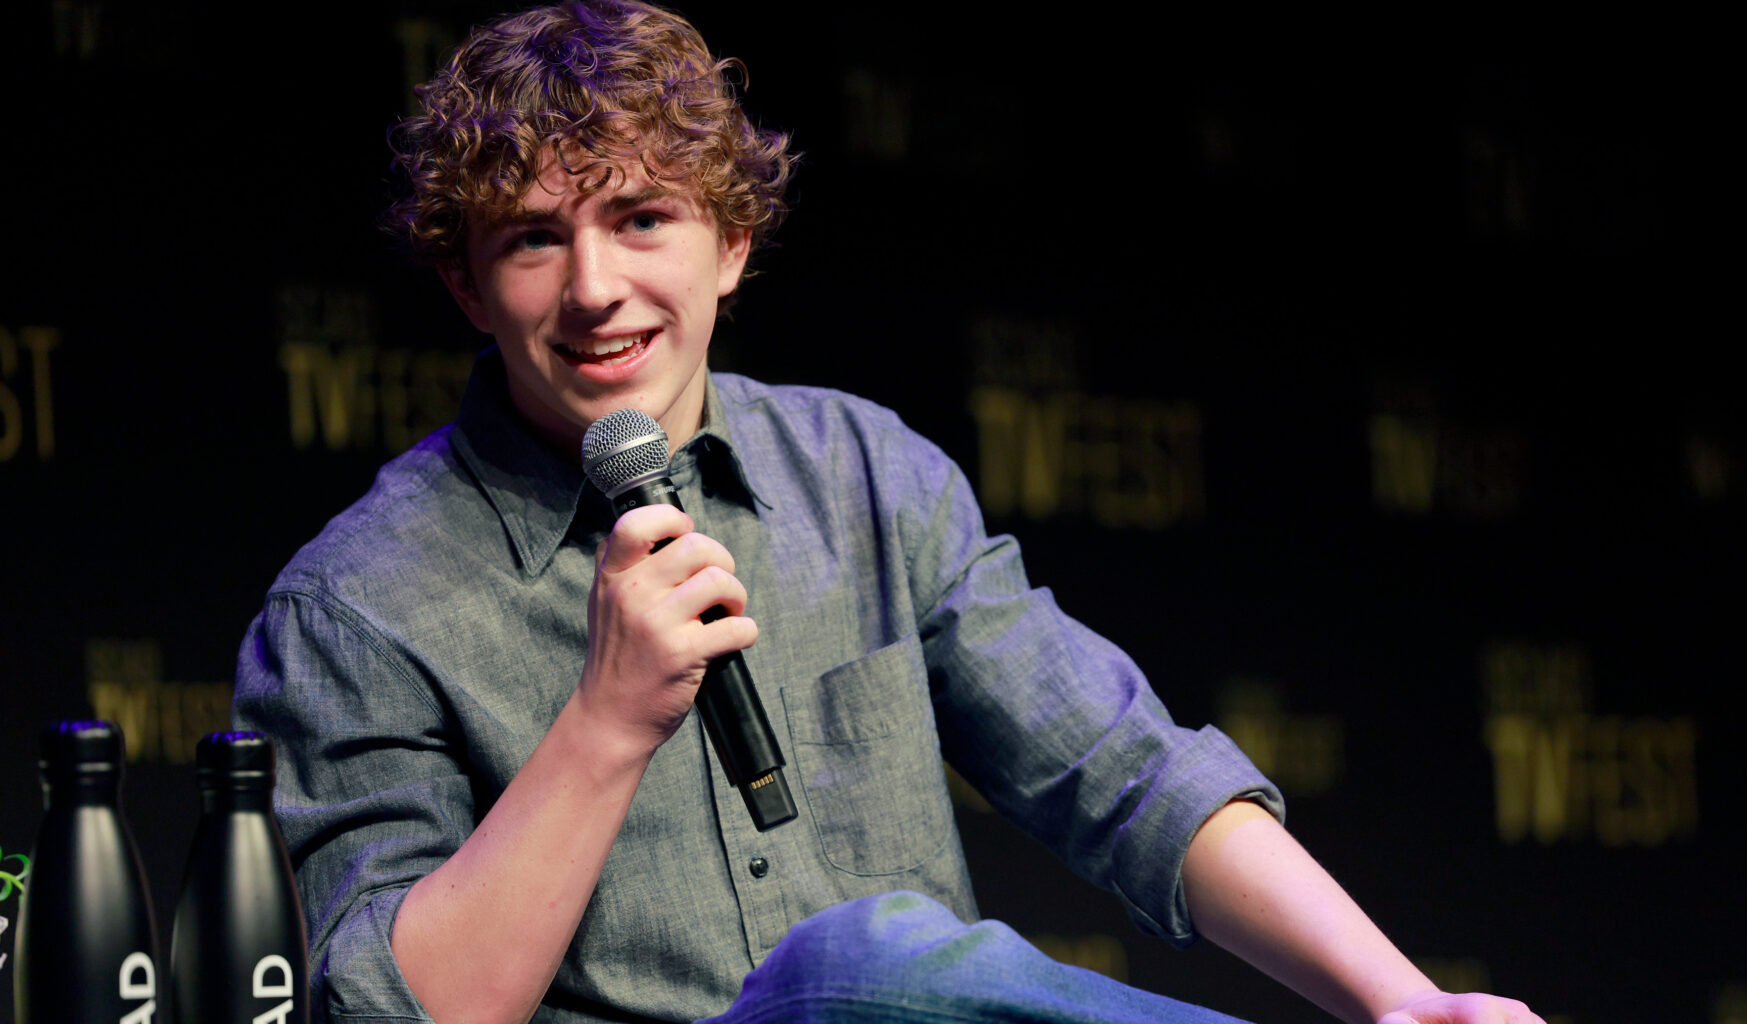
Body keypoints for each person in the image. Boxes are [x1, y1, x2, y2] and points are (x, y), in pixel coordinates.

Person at [234, 3, 1546, 1023]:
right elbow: (405, 1008)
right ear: (467, 287)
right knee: (853, 962)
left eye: (641, 219)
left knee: (878, 963)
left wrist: (1399, 997)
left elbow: (1120, 768)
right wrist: (606, 721)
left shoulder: (865, 475)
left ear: (731, 244)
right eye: (531, 239)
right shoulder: (357, 604)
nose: (593, 288)